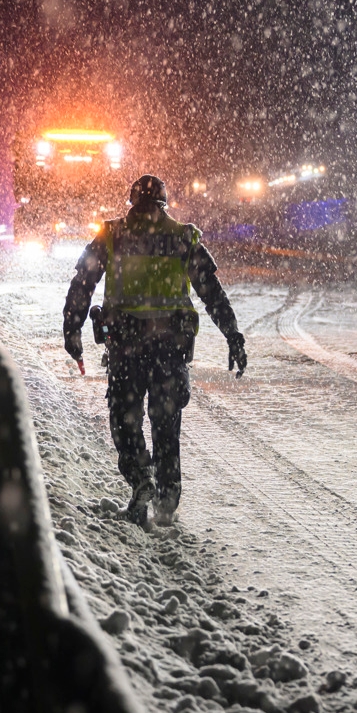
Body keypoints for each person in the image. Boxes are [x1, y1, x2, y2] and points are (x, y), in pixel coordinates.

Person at [63, 175, 246, 527]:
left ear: (131, 204)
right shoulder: (182, 238)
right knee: (166, 427)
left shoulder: (112, 235)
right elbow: (212, 292)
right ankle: (166, 498)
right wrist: (233, 335)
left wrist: (72, 329)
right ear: (164, 204)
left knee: (125, 421)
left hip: (126, 350)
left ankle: (140, 478)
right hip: (169, 351)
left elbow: (82, 283)